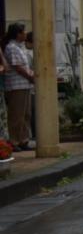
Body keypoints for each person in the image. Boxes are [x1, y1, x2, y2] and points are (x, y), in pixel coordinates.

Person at [2, 23, 34, 152]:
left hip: (25, 84)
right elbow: (18, 67)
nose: (25, 34)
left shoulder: (20, 47)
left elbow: (25, 65)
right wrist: (30, 76)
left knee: (26, 114)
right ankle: (14, 140)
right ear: (18, 34)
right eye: (23, 32)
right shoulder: (11, 47)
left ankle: (24, 140)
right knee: (17, 115)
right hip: (16, 85)